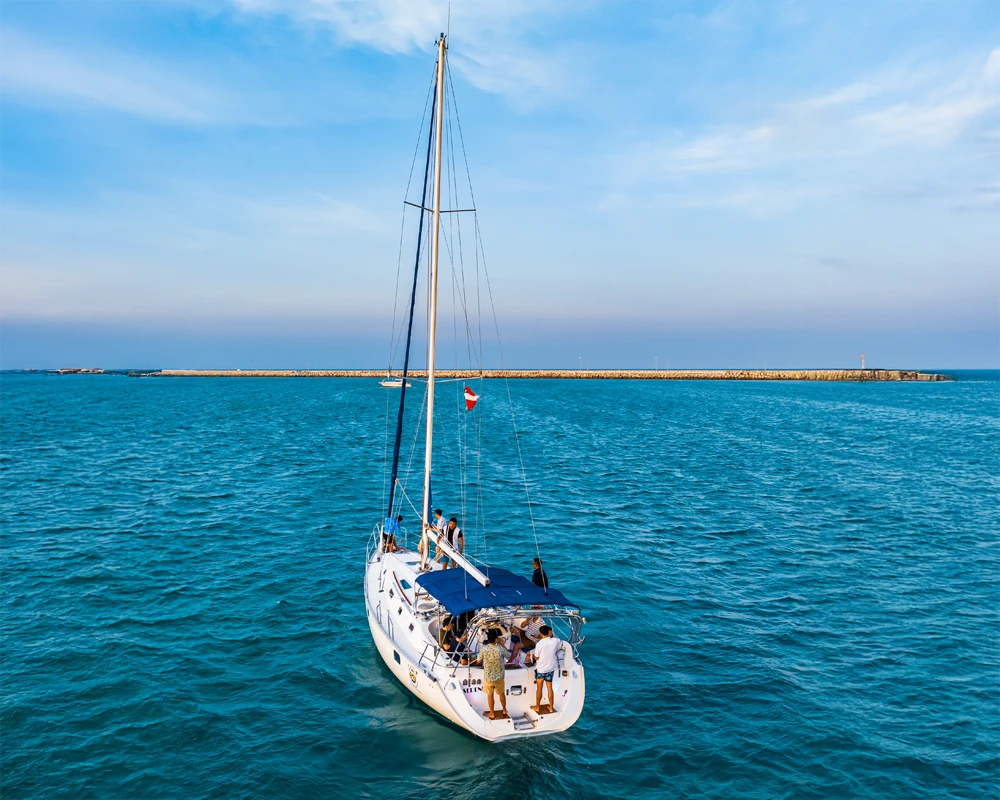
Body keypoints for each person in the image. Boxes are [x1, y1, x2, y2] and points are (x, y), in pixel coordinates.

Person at [473, 629, 509, 720]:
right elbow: (509, 656)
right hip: (499, 676)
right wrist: (502, 644)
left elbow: (478, 662)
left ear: (488, 639)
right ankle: (504, 710)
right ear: (496, 639)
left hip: (488, 677)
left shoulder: (484, 649)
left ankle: (492, 713)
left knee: (490, 695)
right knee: (501, 694)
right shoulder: (500, 649)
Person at [530, 625, 563, 713]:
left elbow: (537, 657)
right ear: (549, 633)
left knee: (539, 689)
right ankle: (551, 708)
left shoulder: (539, 644)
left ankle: (537, 707)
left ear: (541, 634)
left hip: (541, 669)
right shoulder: (555, 641)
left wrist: (534, 656)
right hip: (550, 668)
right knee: (550, 688)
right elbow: (560, 644)